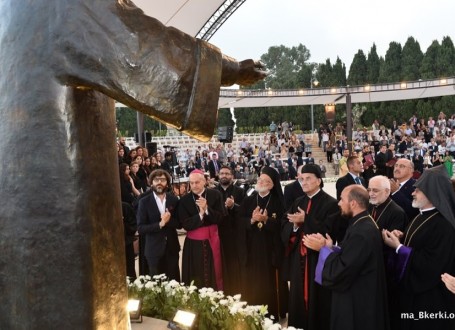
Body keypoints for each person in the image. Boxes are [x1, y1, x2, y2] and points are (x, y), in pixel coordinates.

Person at [383, 165, 455, 330]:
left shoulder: (444, 225)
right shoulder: (420, 215)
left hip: (431, 300)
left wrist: (399, 248)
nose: (412, 193)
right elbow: (418, 241)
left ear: (432, 194)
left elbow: (432, 264)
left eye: (418, 190)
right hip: (414, 295)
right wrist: (402, 237)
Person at [309, 185, 389, 330]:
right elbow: (352, 255)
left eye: (341, 199)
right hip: (362, 293)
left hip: (357, 301)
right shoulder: (362, 222)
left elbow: (341, 270)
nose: (338, 203)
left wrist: (323, 250)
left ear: (353, 203)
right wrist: (331, 247)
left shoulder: (361, 231)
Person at [282, 164, 339, 330]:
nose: (304, 182)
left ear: (319, 181)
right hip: (298, 258)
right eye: (302, 179)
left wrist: (305, 220)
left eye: (308, 178)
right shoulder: (298, 201)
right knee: (298, 298)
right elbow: (285, 224)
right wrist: (294, 226)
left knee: (317, 299)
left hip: (317, 259)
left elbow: (329, 232)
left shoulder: (331, 203)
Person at [238, 166, 287, 319]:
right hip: (252, 248)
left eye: (266, 181)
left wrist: (267, 220)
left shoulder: (279, 202)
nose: (262, 182)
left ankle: (272, 311)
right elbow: (239, 222)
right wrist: (252, 220)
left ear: (273, 185)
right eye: (260, 180)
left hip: (271, 249)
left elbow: (283, 225)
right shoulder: (249, 200)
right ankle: (253, 310)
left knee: (271, 281)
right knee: (253, 280)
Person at [178, 169, 227, 290]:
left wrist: (206, 210)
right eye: (192, 183)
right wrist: (200, 215)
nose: (194, 185)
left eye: (197, 182)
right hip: (193, 245)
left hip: (213, 241)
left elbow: (221, 218)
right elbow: (185, 224)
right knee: (195, 272)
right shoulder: (184, 200)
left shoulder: (215, 195)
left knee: (214, 271)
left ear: (204, 181)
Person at [137, 169, 181, 281]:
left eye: (163, 180)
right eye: (156, 180)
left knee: (174, 282)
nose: (159, 182)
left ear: (167, 183)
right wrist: (160, 224)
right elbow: (141, 228)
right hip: (153, 249)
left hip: (172, 248)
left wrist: (168, 220)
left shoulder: (173, 200)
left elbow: (179, 224)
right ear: (151, 183)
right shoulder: (144, 201)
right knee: (156, 284)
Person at [215, 165, 246, 295]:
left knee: (235, 263)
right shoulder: (212, 192)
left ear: (232, 176)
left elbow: (245, 211)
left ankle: (237, 289)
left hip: (235, 233)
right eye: (222, 173)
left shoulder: (240, 191)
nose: (224, 176)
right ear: (218, 175)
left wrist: (234, 206)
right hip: (219, 233)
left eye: (227, 174)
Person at [389, 158, 418, 223]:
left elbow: (414, 210)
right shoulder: (389, 184)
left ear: (411, 170)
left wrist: (396, 192)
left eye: (402, 166)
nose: (397, 168)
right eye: (396, 165)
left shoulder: (416, 187)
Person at [122, 202, 137, 280]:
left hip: (126, 244)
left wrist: (122, 223)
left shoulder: (125, 207)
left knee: (130, 270)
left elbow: (134, 226)